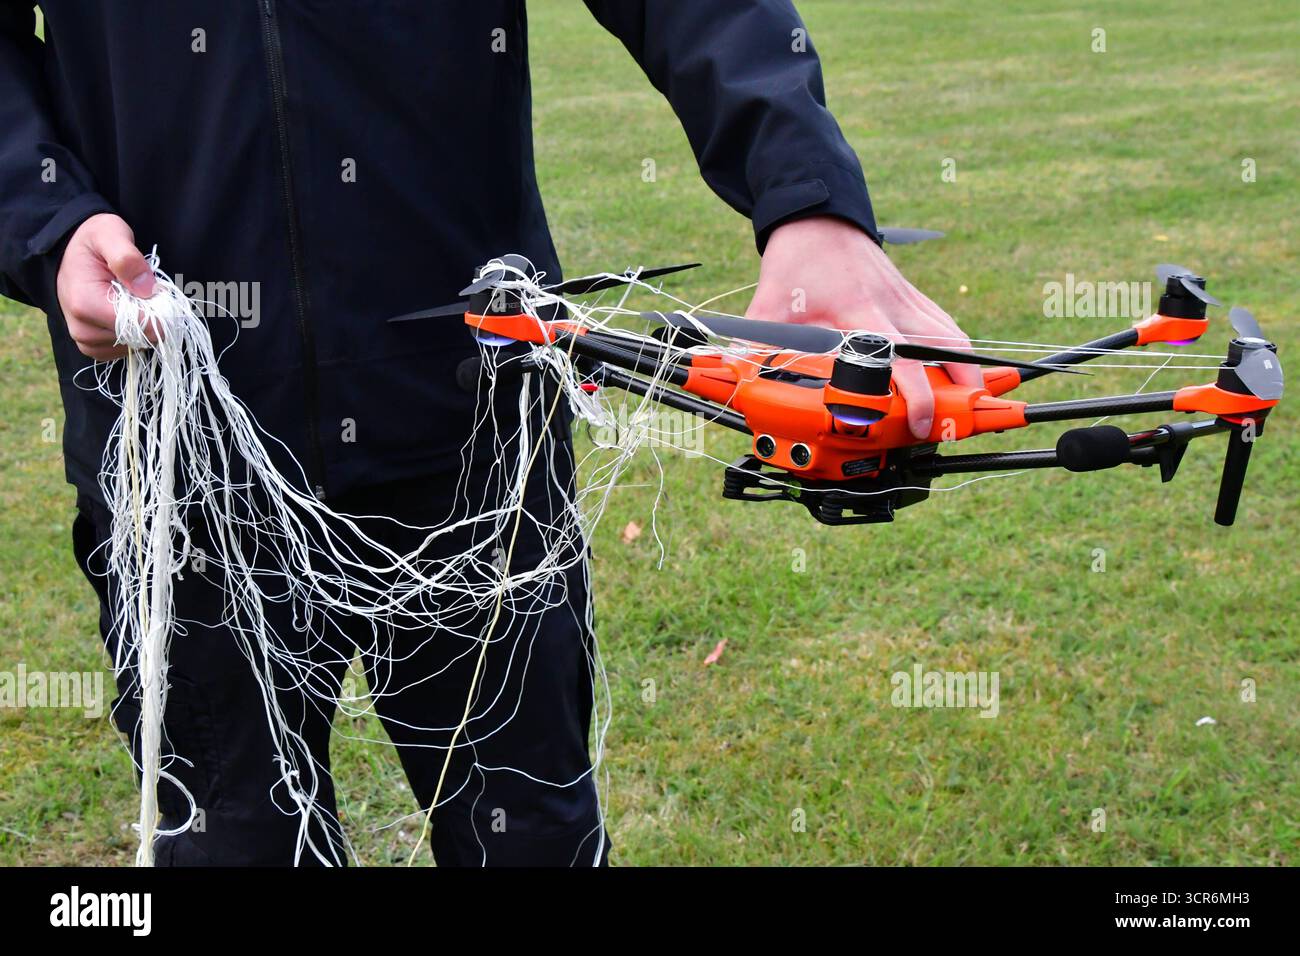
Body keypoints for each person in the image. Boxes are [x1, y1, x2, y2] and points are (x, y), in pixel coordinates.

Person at [0, 1, 977, 865]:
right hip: (176, 452)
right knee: (229, 835)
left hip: (468, 438)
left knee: (527, 832)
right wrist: (51, 220)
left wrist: (805, 194)